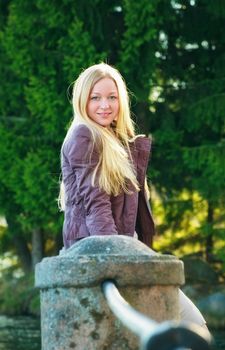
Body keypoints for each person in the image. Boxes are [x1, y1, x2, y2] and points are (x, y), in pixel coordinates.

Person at [59, 62, 208, 331]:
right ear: (83, 100)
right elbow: (96, 207)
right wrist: (117, 259)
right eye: (95, 97)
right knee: (189, 324)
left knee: (191, 325)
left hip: (128, 251)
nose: (105, 105)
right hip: (104, 252)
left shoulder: (116, 140)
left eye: (112, 97)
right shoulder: (84, 135)